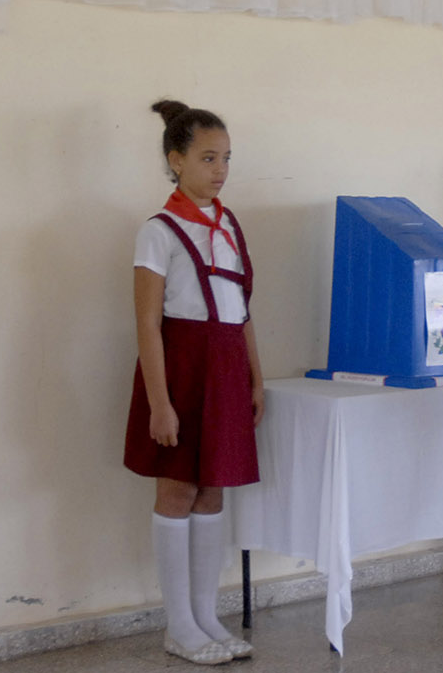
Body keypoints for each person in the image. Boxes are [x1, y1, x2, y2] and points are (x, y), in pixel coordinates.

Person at [123, 100, 265, 665]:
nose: (220, 169)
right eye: (208, 158)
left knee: (214, 487)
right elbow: (147, 323)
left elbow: (243, 310)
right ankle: (178, 624)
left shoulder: (229, 225)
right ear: (175, 160)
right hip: (180, 370)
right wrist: (160, 402)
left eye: (226, 158)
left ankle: (207, 615)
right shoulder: (158, 231)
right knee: (177, 488)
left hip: (228, 367)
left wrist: (255, 377)